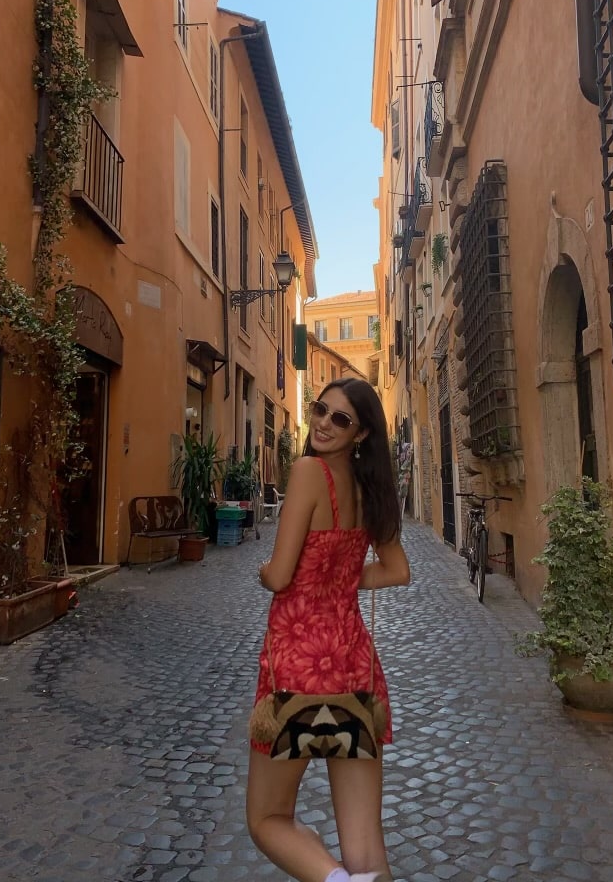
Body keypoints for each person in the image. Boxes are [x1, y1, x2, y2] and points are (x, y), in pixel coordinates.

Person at [247, 378, 411, 882]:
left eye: (340, 419)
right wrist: (339, 579)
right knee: (366, 850)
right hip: (353, 670)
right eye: (321, 410)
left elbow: (278, 575)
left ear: (360, 433)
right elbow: (397, 569)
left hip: (297, 669)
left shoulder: (306, 473)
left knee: (267, 820)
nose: (323, 422)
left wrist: (265, 572)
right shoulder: (370, 491)